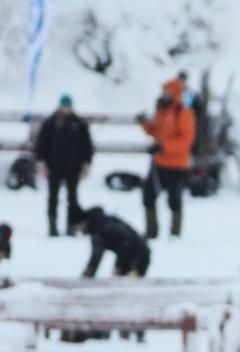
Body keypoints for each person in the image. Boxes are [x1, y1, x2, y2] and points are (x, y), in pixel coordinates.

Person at [138, 78, 196, 238]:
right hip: (159, 163)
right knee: (148, 195)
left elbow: (186, 140)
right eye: (163, 92)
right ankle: (151, 232)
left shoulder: (183, 113)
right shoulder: (161, 111)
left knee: (174, 200)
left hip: (177, 165)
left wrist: (164, 147)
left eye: (168, 92)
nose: (164, 95)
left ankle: (175, 234)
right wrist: (144, 123)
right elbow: (155, 132)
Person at [34, 94, 94, 237]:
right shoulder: (50, 123)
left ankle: (71, 226)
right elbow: (41, 145)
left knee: (72, 199)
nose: (66, 109)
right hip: (54, 167)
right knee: (53, 198)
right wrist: (41, 162)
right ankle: (52, 227)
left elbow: (87, 146)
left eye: (68, 106)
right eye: (64, 106)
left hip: (73, 167)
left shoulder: (79, 124)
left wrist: (86, 164)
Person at [72, 206, 151, 279]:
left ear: (81, 222)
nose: (78, 231)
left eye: (76, 228)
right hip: (133, 255)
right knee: (122, 283)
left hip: (139, 256)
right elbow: (96, 255)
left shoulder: (103, 227)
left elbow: (126, 243)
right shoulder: (98, 225)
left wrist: (118, 266)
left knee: (128, 284)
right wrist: (88, 273)